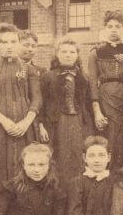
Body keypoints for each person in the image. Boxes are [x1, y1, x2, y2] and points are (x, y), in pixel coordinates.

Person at [0, 23, 42, 202]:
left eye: (13, 41)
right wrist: (4, 121)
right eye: (3, 42)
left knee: (23, 164)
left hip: (25, 126)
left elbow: (37, 99)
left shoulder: (29, 70)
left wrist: (26, 122)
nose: (8, 46)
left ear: (18, 43)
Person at [39, 36, 95, 182]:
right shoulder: (48, 76)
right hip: (57, 123)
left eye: (72, 52)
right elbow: (41, 104)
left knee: (78, 157)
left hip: (78, 122)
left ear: (77, 55)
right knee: (59, 158)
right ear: (57, 54)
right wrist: (41, 125)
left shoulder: (84, 77)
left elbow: (88, 104)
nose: (68, 55)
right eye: (64, 52)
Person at [86, 11, 123, 169]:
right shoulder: (96, 53)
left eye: (118, 26)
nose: (114, 29)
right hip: (105, 99)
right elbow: (93, 83)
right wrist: (97, 111)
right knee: (109, 138)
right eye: (110, 26)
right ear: (105, 28)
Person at [66, 136, 116, 215]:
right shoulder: (76, 182)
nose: (97, 160)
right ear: (84, 158)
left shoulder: (116, 181)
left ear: (108, 157)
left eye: (101, 155)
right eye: (92, 155)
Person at [18, 30, 49, 143]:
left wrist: (41, 125)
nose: (30, 49)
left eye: (33, 46)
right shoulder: (7, 71)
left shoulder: (42, 72)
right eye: (26, 45)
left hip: (35, 121)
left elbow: (43, 101)